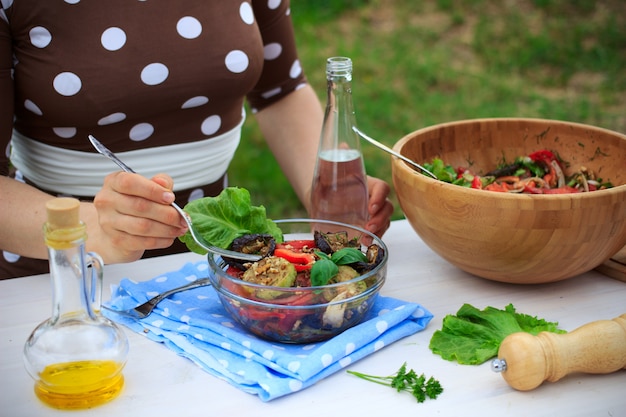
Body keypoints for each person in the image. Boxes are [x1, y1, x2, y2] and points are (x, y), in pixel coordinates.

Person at [0, 1, 394, 279]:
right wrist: (98, 230)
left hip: (219, 271)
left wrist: (328, 190)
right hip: (61, 281)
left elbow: (280, 91)